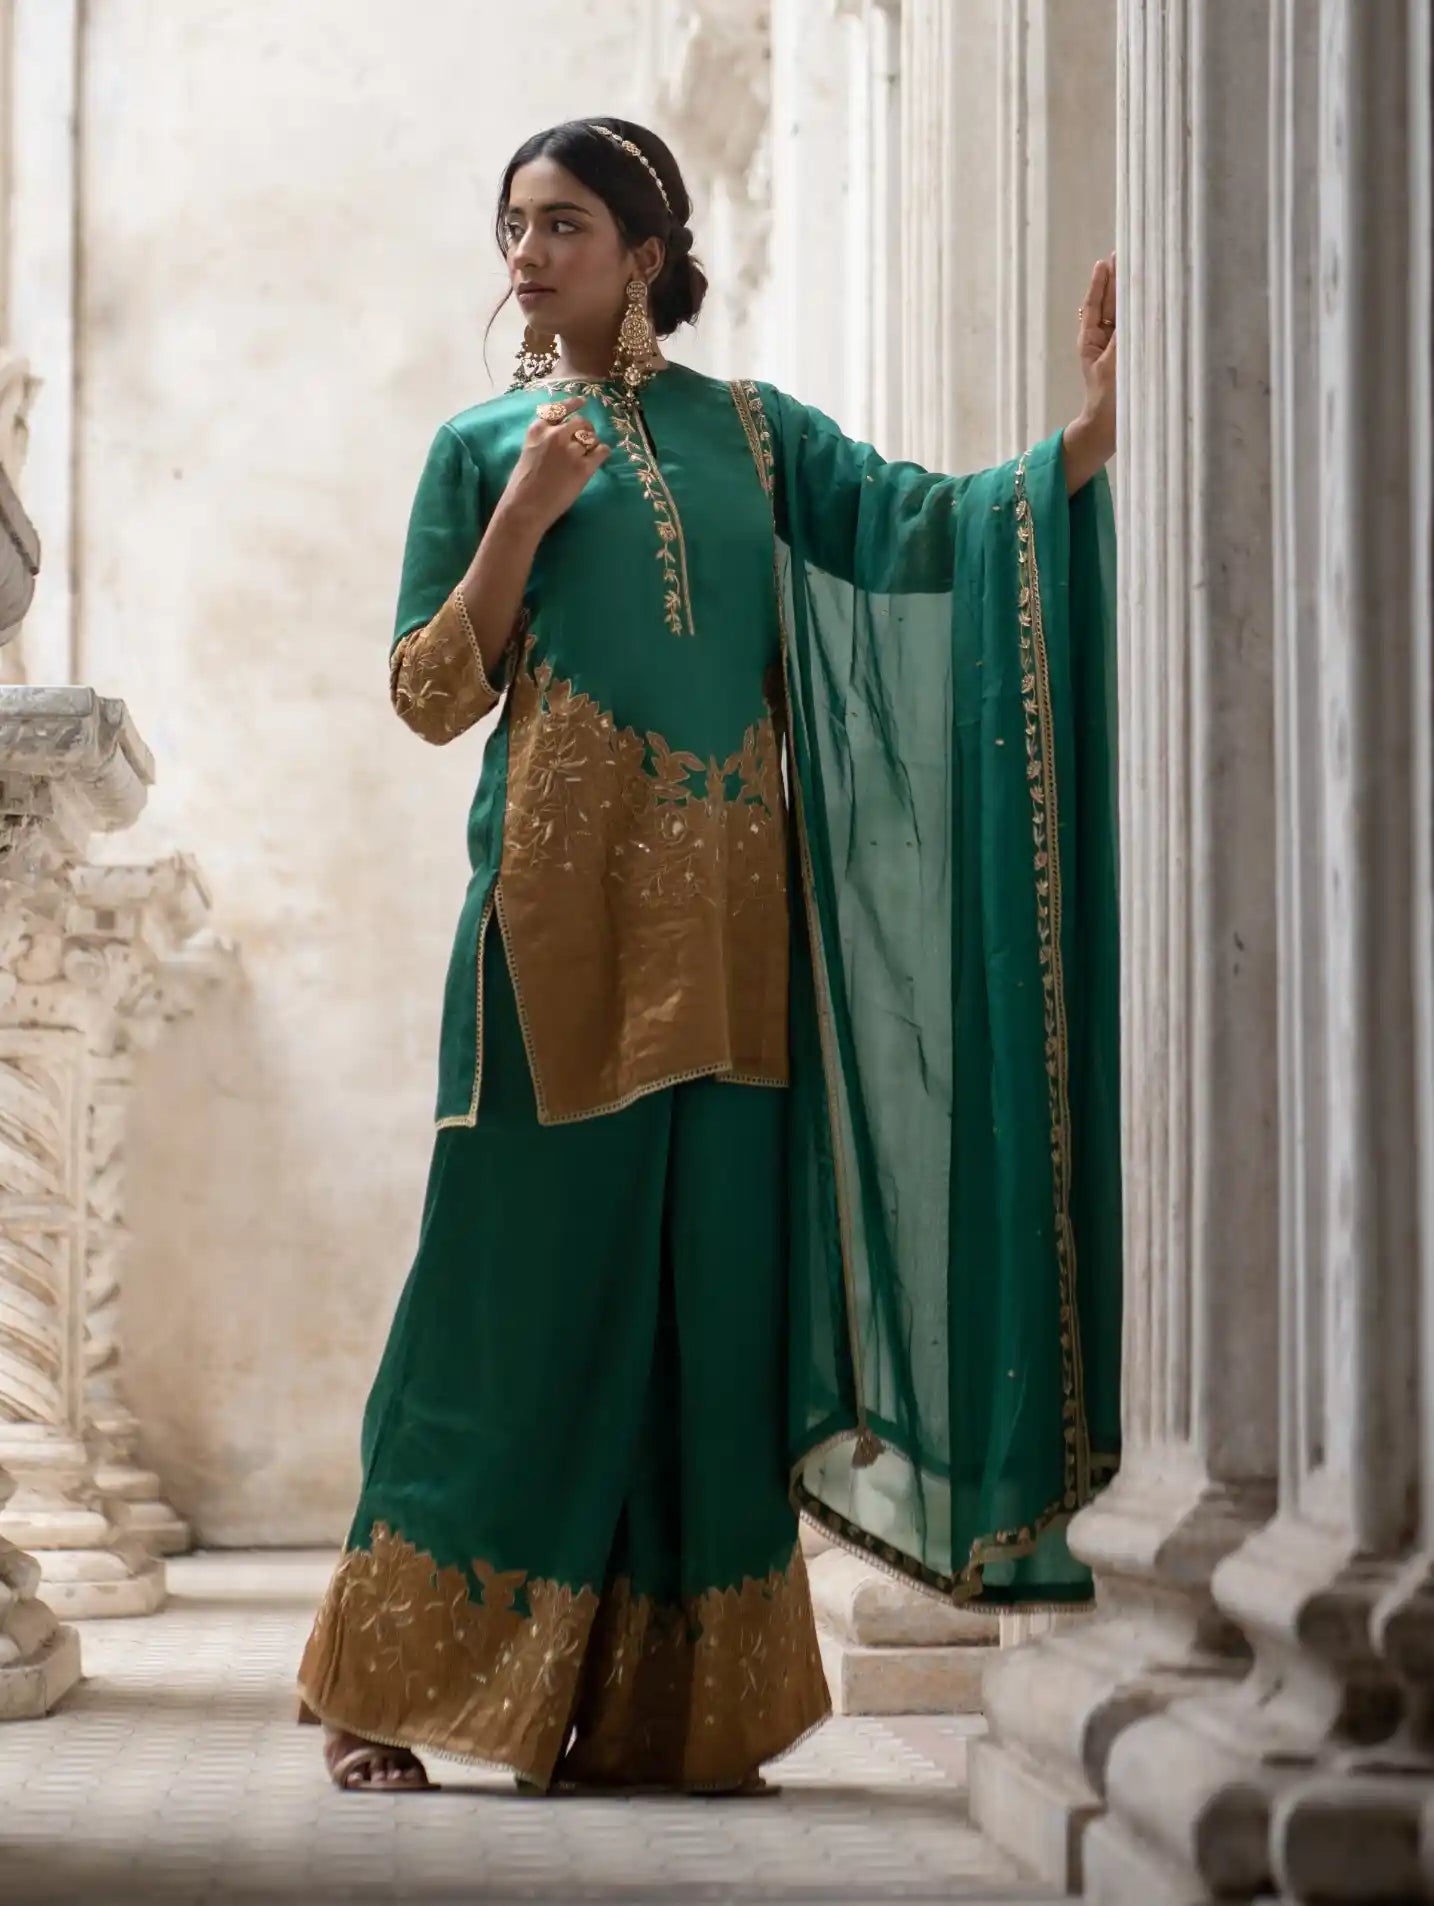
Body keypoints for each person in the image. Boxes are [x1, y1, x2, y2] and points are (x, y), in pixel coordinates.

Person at [298, 116, 1121, 1796]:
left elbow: (926, 529)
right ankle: (383, 1685)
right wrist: (521, 516)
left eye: (564, 225)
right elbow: (430, 693)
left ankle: (672, 1708)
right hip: (552, 943)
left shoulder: (755, 433)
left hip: (737, 949)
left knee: (709, 1315)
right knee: (508, 1306)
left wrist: (1088, 438)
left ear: (648, 254)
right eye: (514, 224)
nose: (528, 255)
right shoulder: (481, 445)